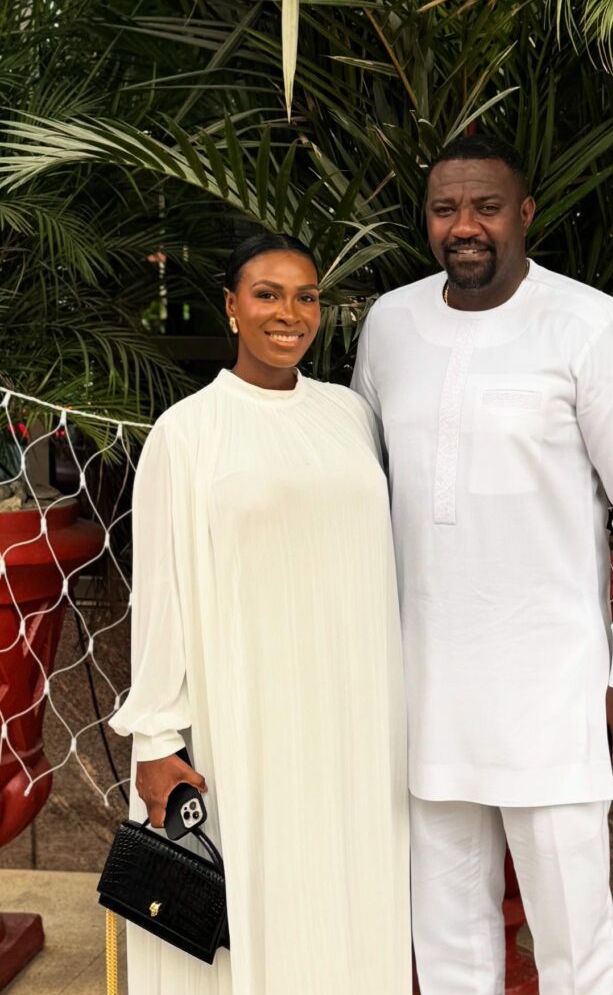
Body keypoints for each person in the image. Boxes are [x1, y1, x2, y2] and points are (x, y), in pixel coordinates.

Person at [352, 136, 613, 995]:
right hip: (424, 688)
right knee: (446, 936)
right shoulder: (389, 323)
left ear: (525, 213)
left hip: (553, 687)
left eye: (485, 207)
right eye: (444, 209)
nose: (463, 227)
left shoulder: (592, 325)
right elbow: (360, 485)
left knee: (573, 936)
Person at [110, 233, 411, 995]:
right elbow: (162, 594)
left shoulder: (349, 415)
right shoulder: (188, 431)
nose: (289, 313)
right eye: (268, 294)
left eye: (306, 296)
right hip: (239, 718)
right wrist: (155, 737)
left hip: (352, 722)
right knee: (245, 909)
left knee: (345, 898)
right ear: (231, 307)